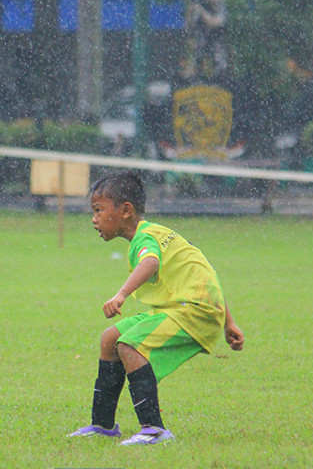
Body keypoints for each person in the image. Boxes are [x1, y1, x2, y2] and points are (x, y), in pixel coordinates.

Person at [69, 172, 244, 445]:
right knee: (111, 338)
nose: (94, 219)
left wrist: (121, 295)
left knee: (130, 345)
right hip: (191, 307)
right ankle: (102, 424)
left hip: (193, 311)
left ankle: (155, 430)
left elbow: (150, 263)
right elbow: (202, 273)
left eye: (99, 210)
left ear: (125, 210)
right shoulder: (156, 233)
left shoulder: (145, 239)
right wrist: (228, 321)